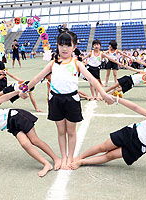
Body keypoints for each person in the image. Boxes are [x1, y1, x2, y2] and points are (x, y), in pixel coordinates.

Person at [19, 31, 114, 169]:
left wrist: (104, 94)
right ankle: (63, 156)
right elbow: (37, 78)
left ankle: (70, 157)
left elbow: (92, 79)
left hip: (71, 100)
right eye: (61, 45)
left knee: (71, 131)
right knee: (61, 131)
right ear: (57, 46)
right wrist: (24, 90)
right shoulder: (52, 64)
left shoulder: (77, 63)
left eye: (68, 45)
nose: (64, 48)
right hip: (55, 100)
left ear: (74, 47)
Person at [0, 91, 61, 177]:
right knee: (24, 144)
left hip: (16, 116)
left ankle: (56, 158)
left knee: (34, 140)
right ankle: (46, 164)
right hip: (11, 127)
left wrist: (17, 93)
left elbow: (1, 99)